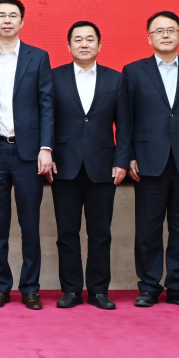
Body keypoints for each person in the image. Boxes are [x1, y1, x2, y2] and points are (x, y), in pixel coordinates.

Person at [119, 11, 179, 309]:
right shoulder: (134, 71)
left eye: (171, 30)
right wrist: (129, 155)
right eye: (159, 31)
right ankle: (148, 286)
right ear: (149, 37)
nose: (166, 35)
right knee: (148, 228)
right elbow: (126, 119)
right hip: (148, 160)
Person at [0, 0, 54, 310]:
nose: (7, 20)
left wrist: (46, 147)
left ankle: (30, 288)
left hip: (28, 154)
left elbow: (47, 105)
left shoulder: (38, 57)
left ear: (22, 21)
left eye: (13, 15)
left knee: (30, 224)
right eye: (1, 15)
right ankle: (1, 287)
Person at [49, 21, 128, 310]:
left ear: (99, 45)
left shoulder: (116, 79)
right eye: (78, 39)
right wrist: (47, 153)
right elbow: (46, 119)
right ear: (68, 45)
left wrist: (121, 160)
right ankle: (71, 290)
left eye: (90, 39)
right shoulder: (54, 77)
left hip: (103, 166)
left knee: (100, 233)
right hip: (63, 166)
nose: (84, 44)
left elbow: (125, 125)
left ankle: (98, 291)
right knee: (67, 234)